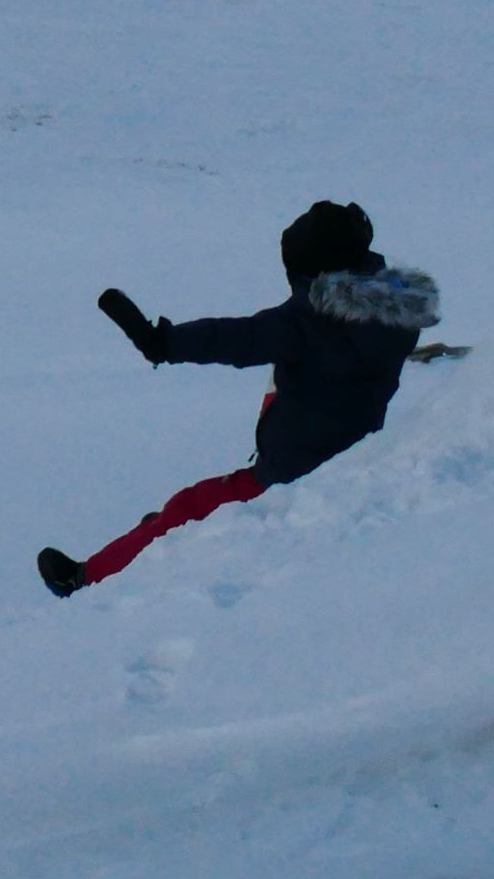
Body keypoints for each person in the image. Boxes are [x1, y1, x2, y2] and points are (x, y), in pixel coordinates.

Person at [36, 199, 439, 597]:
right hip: (349, 456)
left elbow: (236, 337)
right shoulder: (394, 317)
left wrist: (164, 343)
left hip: (290, 474)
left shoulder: (309, 322)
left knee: (187, 510)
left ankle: (85, 579)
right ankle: (154, 535)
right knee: (193, 507)